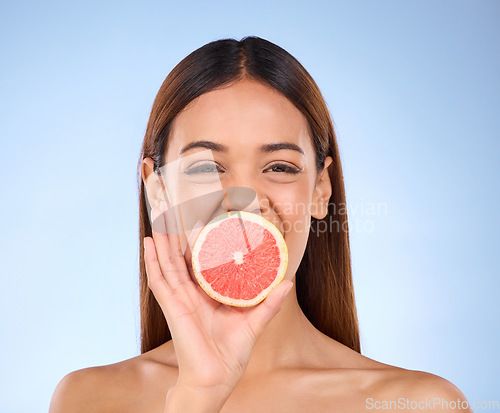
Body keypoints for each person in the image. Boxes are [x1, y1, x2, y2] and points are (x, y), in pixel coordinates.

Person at [49, 36, 471, 412]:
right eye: (205, 168)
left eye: (281, 167)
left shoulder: (420, 404)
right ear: (157, 192)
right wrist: (198, 393)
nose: (243, 199)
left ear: (321, 190)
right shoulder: (87, 399)